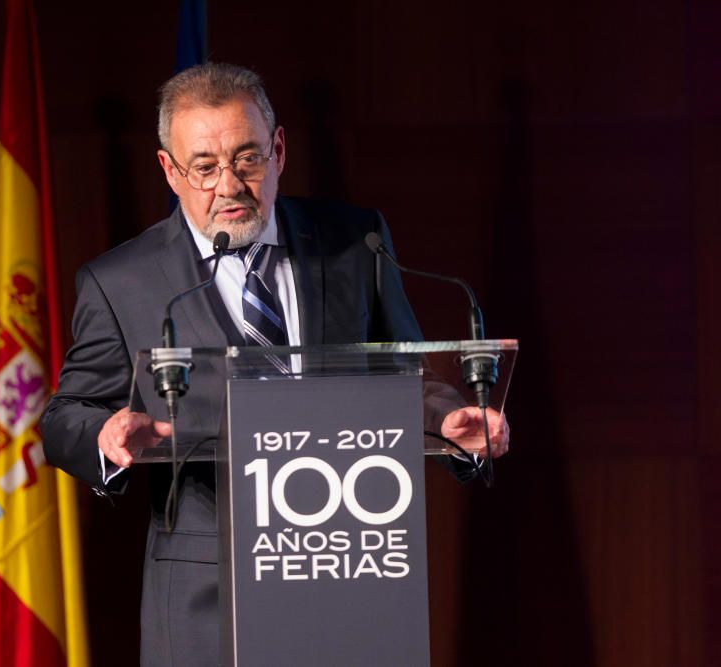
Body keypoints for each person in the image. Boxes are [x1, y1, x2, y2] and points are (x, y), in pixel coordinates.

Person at [40, 62, 509, 666]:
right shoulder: (120, 281)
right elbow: (64, 415)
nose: (229, 185)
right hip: (206, 594)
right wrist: (105, 437)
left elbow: (405, 372)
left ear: (279, 149)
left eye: (247, 159)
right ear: (169, 171)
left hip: (349, 563)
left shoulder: (354, 241)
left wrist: (449, 419)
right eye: (204, 168)